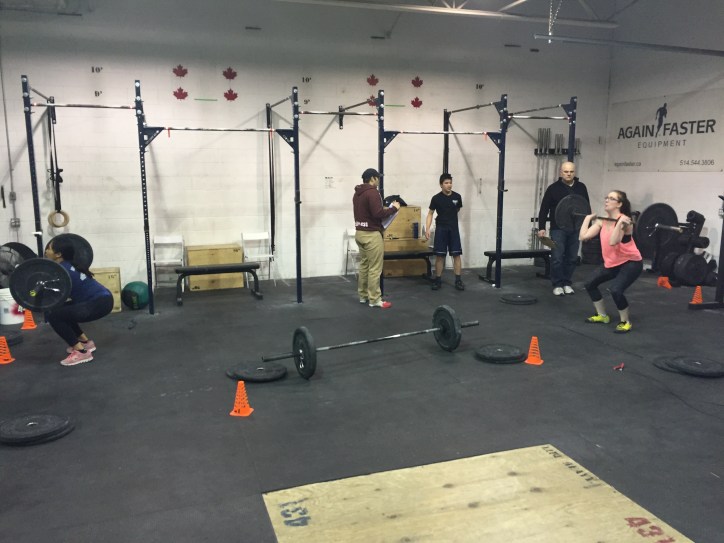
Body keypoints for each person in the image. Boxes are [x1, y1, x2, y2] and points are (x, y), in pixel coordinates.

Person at [579, 190, 643, 333]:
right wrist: (587, 219)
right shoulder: (602, 220)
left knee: (616, 290)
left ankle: (625, 321)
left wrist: (619, 223)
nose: (607, 200)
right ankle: (602, 316)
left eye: (611, 198)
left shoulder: (626, 222)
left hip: (630, 262)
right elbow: (583, 237)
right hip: (612, 262)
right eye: (606, 197)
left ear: (619, 204)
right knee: (589, 284)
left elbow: (613, 241)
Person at [44, 237, 115, 366]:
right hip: (104, 299)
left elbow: (52, 294)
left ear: (58, 254)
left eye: (49, 248)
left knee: (53, 316)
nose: (46, 251)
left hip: (97, 303)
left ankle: (81, 352)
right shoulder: (70, 265)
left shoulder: (62, 271)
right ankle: (85, 343)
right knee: (62, 310)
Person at [537, 161, 589, 296]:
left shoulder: (581, 187)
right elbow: (544, 209)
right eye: (566, 171)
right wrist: (541, 227)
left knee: (572, 258)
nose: (569, 174)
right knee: (557, 257)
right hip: (557, 228)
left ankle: (566, 283)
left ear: (574, 172)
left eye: (571, 171)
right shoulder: (553, 188)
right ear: (561, 172)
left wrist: (587, 228)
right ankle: (557, 284)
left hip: (575, 228)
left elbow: (586, 207)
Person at [353, 168, 400, 309]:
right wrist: (394, 208)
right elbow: (378, 213)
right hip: (371, 235)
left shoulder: (357, 193)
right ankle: (374, 299)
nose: (379, 180)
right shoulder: (373, 192)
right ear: (372, 178)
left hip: (360, 233)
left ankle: (363, 296)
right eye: (378, 178)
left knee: (364, 266)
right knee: (375, 269)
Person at [425, 173, 464, 291]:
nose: (449, 185)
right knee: (440, 256)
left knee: (456, 255)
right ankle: (438, 280)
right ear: (441, 185)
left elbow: (457, 209)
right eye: (446, 183)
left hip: (453, 229)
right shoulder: (436, 198)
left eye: (450, 183)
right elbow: (430, 213)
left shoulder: (457, 197)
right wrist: (427, 229)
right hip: (441, 229)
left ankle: (458, 280)